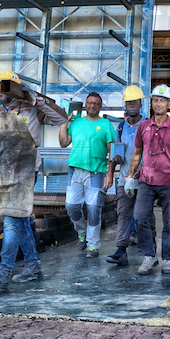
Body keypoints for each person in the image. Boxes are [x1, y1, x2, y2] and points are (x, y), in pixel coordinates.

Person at [0, 71, 68, 289]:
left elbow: (62, 118)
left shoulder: (33, 110)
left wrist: (39, 99)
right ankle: (33, 266)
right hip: (3, 174)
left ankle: (4, 270)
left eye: (3, 86)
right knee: (21, 220)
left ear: (14, 89)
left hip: (26, 174)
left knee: (10, 221)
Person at [126, 85, 170, 275]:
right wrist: (130, 176)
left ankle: (167, 259)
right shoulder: (144, 127)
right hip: (146, 180)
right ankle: (149, 255)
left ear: (169, 103)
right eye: (155, 100)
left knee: (169, 223)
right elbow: (137, 153)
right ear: (151, 103)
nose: (158, 103)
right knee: (140, 217)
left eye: (162, 100)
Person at [60, 91, 117, 259]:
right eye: (89, 103)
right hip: (75, 170)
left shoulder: (106, 125)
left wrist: (110, 174)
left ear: (100, 106)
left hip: (96, 171)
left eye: (96, 103)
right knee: (71, 206)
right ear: (85, 105)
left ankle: (93, 245)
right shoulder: (76, 123)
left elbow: (112, 151)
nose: (92, 106)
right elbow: (63, 143)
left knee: (93, 209)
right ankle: (82, 232)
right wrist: (64, 123)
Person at [104, 85, 144, 266]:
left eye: (135, 102)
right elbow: (114, 152)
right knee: (123, 214)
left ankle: (148, 252)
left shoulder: (148, 125)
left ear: (141, 104)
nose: (132, 105)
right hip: (124, 178)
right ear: (125, 106)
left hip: (145, 179)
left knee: (144, 216)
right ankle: (121, 250)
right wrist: (110, 173)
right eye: (129, 103)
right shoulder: (120, 128)